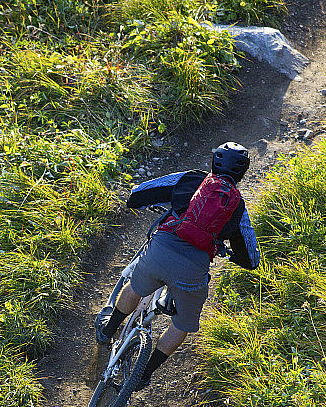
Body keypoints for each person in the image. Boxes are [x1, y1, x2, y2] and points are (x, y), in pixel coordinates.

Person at [95, 142, 260, 391]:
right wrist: (228, 252)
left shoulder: (190, 178)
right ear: (243, 173)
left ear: (213, 163)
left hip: (161, 250)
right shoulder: (238, 207)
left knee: (135, 287)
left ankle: (107, 331)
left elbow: (139, 193)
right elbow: (251, 259)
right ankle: (143, 374)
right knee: (182, 324)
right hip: (192, 272)